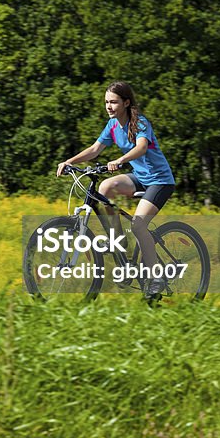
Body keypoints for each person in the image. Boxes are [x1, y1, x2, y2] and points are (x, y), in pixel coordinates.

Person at [56, 81, 176, 298]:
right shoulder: (112, 126)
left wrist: (120, 159)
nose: (109, 106)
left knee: (139, 225)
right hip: (140, 178)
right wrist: (69, 161)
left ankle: (157, 277)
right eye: (106, 102)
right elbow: (94, 149)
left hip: (160, 181)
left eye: (113, 102)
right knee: (105, 186)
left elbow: (140, 147)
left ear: (126, 102)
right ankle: (119, 242)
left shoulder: (139, 122)